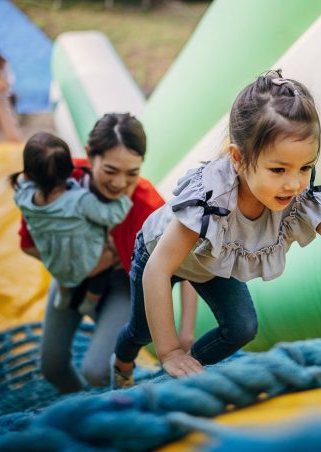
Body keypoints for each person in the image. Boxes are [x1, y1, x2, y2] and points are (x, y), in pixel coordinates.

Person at [111, 70, 321, 387]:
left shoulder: (295, 196)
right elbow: (158, 270)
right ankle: (123, 362)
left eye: (305, 167)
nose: (293, 184)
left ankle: (180, 375)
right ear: (238, 158)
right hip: (159, 252)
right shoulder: (212, 198)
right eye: (278, 170)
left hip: (212, 261)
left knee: (243, 327)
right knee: (142, 330)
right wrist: (170, 350)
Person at [19, 113, 196, 393]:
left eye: (132, 173)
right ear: (90, 156)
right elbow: (30, 240)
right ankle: (82, 405)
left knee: (96, 370)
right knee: (51, 366)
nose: (120, 183)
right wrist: (80, 267)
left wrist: (185, 333)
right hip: (73, 275)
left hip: (122, 285)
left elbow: (187, 267)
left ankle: (111, 406)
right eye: (110, 171)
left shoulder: (146, 204)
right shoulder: (61, 180)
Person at [11, 132, 133, 318]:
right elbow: (111, 216)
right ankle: (90, 302)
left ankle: (64, 294)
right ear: (70, 169)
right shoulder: (80, 201)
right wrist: (125, 197)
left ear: (28, 175)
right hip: (89, 261)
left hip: (55, 261)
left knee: (60, 270)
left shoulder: (23, 198)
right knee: (107, 260)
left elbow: (22, 182)